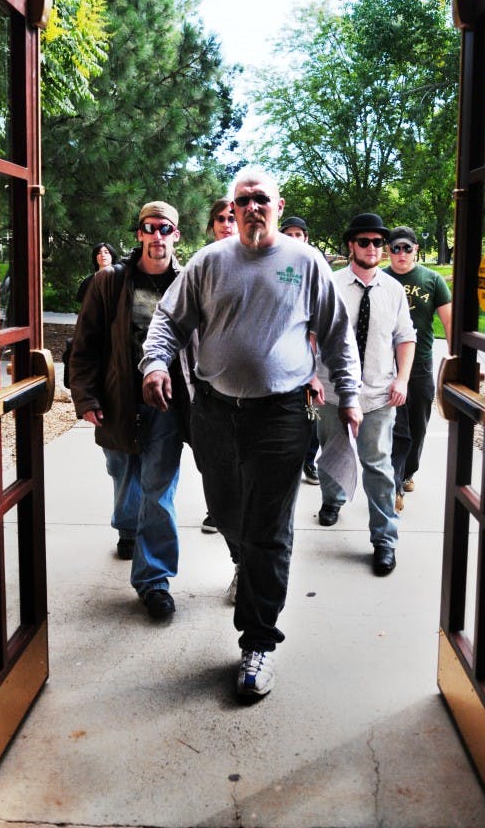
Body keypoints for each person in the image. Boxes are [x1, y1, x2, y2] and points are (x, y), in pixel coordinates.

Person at [141, 165, 362, 699]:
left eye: (262, 198)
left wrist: (350, 396)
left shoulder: (305, 262)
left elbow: (336, 334)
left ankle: (257, 641)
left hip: (281, 417)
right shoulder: (209, 262)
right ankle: (249, 564)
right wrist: (155, 363)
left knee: (269, 528)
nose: (252, 207)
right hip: (214, 413)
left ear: (278, 206)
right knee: (228, 513)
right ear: (231, 209)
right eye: (242, 200)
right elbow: (169, 321)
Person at [68, 201, 190, 620]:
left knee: (159, 490)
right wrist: (85, 398)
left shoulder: (187, 282)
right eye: (149, 228)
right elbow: (84, 346)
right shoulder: (109, 282)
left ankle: (154, 580)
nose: (158, 236)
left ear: (177, 234)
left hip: (168, 406)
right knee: (124, 475)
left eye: (166, 229)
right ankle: (127, 527)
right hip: (119, 400)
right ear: (139, 233)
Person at [315, 213, 416, 578]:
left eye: (378, 242)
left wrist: (402, 380)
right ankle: (332, 498)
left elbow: (405, 338)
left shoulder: (394, 290)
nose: (372, 248)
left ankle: (384, 539)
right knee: (331, 453)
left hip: (377, 394)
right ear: (351, 246)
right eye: (364, 242)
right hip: (332, 391)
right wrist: (312, 377)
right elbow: (311, 334)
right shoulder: (329, 285)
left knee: (378, 466)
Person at [384, 226, 452, 509]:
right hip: (386, 364)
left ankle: (409, 471)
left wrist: (456, 356)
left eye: (406, 248)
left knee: (418, 425)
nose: (401, 254)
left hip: (421, 363)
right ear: (389, 251)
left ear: (416, 250)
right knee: (398, 427)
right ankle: (395, 485)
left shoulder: (432, 280)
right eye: (396, 248)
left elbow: (450, 322)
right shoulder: (381, 279)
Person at [199, 197, 239, 535]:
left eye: (232, 218)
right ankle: (217, 509)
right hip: (207, 382)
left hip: (248, 384)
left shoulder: (255, 260)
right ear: (212, 225)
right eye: (220, 219)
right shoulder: (202, 265)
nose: (227, 224)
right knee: (212, 459)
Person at [280, 214, 322, 484]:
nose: (294, 239)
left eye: (299, 235)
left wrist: (315, 372)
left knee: (312, 418)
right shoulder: (277, 268)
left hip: (312, 366)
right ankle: (291, 463)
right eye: (289, 234)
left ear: (306, 238)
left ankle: (309, 461)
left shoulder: (316, 269)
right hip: (285, 365)